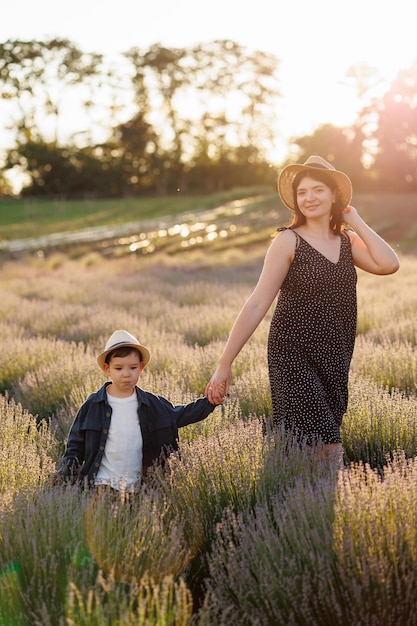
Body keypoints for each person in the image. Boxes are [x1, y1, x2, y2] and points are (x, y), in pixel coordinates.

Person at [206, 155, 400, 462]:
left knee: (307, 445)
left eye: (318, 189)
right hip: (292, 353)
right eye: (302, 192)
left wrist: (357, 221)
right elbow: (257, 303)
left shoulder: (347, 242)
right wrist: (224, 363)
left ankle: (294, 499)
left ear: (334, 194)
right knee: (328, 446)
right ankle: (323, 503)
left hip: (336, 354)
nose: (309, 197)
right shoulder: (288, 240)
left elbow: (389, 264)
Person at [56, 329, 223, 492]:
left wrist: (210, 402)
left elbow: (181, 414)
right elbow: (75, 446)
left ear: (141, 368)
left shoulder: (152, 404)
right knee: (101, 518)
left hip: (140, 489)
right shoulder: (92, 405)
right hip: (102, 485)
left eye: (133, 367)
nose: (126, 374)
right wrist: (64, 477)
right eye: (119, 368)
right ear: (107, 369)